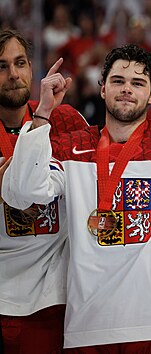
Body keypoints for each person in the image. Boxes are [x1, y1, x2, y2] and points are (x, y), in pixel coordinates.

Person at [2, 44, 151, 352]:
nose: (127, 89)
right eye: (118, 81)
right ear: (102, 89)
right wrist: (43, 115)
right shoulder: (71, 147)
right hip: (85, 326)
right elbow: (23, 193)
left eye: (138, 83)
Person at [0, 29, 87, 353]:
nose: (13, 74)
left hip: (53, 298)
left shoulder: (63, 119)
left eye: (19, 63)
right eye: (2, 66)